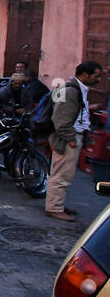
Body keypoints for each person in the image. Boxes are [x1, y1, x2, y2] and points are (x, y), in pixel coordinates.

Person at [46, 61, 105, 222]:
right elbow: (60, 120)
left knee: (64, 174)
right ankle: (54, 208)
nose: (99, 80)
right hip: (67, 139)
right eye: (96, 76)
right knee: (61, 175)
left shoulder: (75, 89)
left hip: (69, 138)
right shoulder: (71, 91)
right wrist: (71, 140)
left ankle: (57, 204)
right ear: (85, 75)